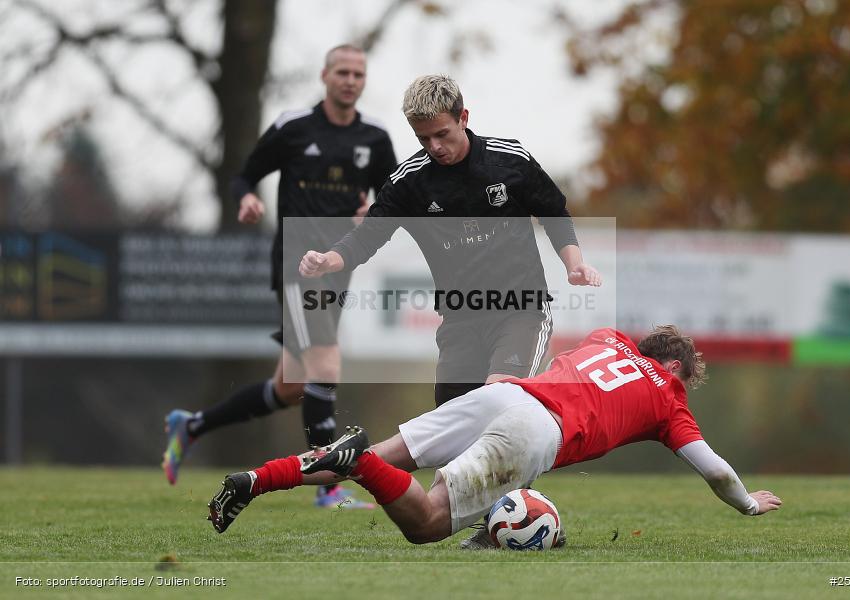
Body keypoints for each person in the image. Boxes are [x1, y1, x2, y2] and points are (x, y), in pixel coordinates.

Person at [206, 325, 782, 548]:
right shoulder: (670, 399)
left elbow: (562, 358)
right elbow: (715, 470)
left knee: (379, 454)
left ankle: (255, 480)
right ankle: (359, 462)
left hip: (505, 394)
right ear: (677, 370)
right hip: (535, 429)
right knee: (426, 523)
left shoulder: (609, 338)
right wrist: (747, 505)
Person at [162, 44, 397, 510]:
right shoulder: (294, 127)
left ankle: (189, 426)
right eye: (342, 72)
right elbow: (244, 176)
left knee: (291, 387)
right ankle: (329, 487)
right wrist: (246, 198)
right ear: (325, 75)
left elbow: (393, 197)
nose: (350, 80)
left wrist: (374, 209)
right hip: (294, 261)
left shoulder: (375, 138)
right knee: (325, 364)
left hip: (338, 266)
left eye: (358, 74)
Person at [299, 74, 601, 407]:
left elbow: (554, 213)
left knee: (498, 402)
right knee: (450, 424)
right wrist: (328, 260)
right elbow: (367, 237)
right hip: (460, 318)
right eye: (423, 139)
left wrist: (574, 264)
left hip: (521, 311)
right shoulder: (408, 182)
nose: (435, 147)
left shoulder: (509, 161)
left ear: (463, 118)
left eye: (442, 134)